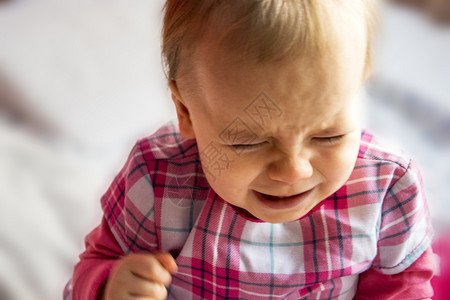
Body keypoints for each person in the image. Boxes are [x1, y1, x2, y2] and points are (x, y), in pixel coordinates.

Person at [65, 1, 436, 299]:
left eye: (329, 135)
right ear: (185, 113)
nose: (293, 171)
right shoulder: (157, 180)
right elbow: (97, 263)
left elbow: (403, 285)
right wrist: (108, 285)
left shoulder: (387, 186)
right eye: (249, 141)